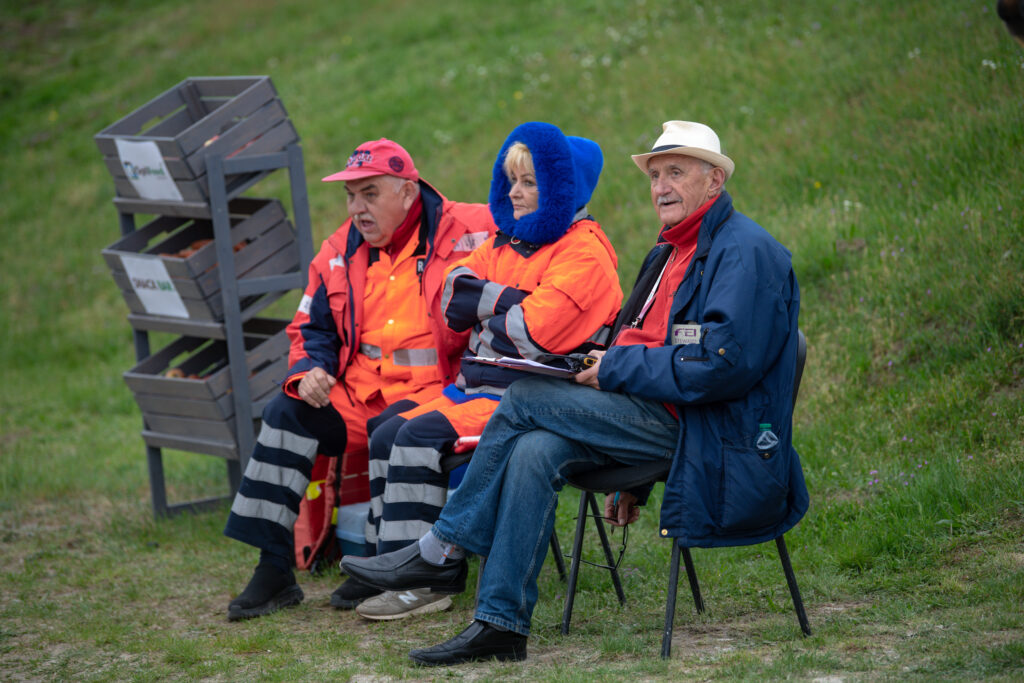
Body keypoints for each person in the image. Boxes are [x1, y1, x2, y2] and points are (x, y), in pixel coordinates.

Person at [341, 120, 810, 665]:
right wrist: (633, 468)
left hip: (708, 430)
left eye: (676, 173)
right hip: (651, 413)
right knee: (533, 449)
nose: (661, 187)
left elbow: (719, 367)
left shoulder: (746, 252)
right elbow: (649, 345)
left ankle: (442, 548)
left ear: (714, 181)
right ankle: (500, 624)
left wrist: (614, 367)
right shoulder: (669, 251)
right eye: (655, 175)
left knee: (524, 397)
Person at [350, 121, 622, 621]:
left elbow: (531, 334)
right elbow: (449, 296)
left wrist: (489, 309)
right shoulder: (507, 241)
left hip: (525, 400)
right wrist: (513, 302)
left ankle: (427, 583)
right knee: (385, 431)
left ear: (564, 190)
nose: (514, 193)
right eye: (512, 180)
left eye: (529, 183)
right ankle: (386, 564)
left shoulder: (585, 252)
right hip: (474, 388)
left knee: (417, 437)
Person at [223, 138, 496, 621]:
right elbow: (311, 328)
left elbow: (531, 240)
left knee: (390, 428)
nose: (356, 209)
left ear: (407, 192)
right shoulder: (338, 249)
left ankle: (381, 563)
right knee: (286, 411)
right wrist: (308, 371)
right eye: (350, 196)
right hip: (359, 392)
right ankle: (274, 569)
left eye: (370, 194)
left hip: (438, 391)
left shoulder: (474, 228)